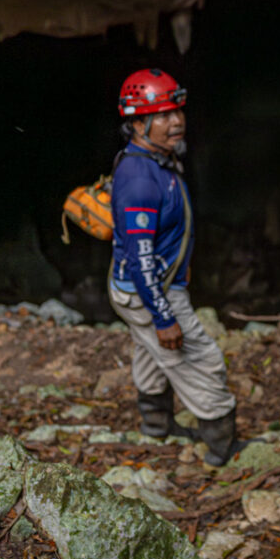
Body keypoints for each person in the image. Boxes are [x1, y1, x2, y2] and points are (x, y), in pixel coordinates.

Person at [107, 68, 250, 467]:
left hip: (142, 286)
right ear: (137, 123)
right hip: (149, 290)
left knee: (150, 353)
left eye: (177, 111)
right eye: (163, 115)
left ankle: (157, 427)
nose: (177, 122)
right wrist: (162, 316)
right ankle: (224, 448)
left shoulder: (159, 160)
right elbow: (140, 257)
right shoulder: (139, 178)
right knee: (201, 359)